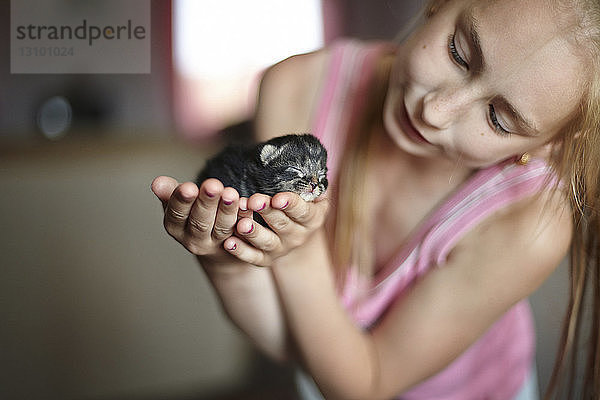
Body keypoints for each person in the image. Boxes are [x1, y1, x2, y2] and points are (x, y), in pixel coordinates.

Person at [151, 0, 600, 398]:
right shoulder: (297, 87)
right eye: (459, 53)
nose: (434, 111)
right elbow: (293, 340)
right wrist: (229, 260)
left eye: (499, 119)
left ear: (552, 143)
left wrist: (297, 252)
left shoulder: (528, 223)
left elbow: (367, 384)